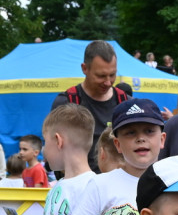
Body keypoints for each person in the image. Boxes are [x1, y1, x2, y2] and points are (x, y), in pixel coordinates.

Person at [50, 40, 129, 173]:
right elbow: (55, 150)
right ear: (84, 68)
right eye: (101, 76)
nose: (108, 82)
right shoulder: (66, 102)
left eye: (112, 74)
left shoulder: (125, 102)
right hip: (79, 185)